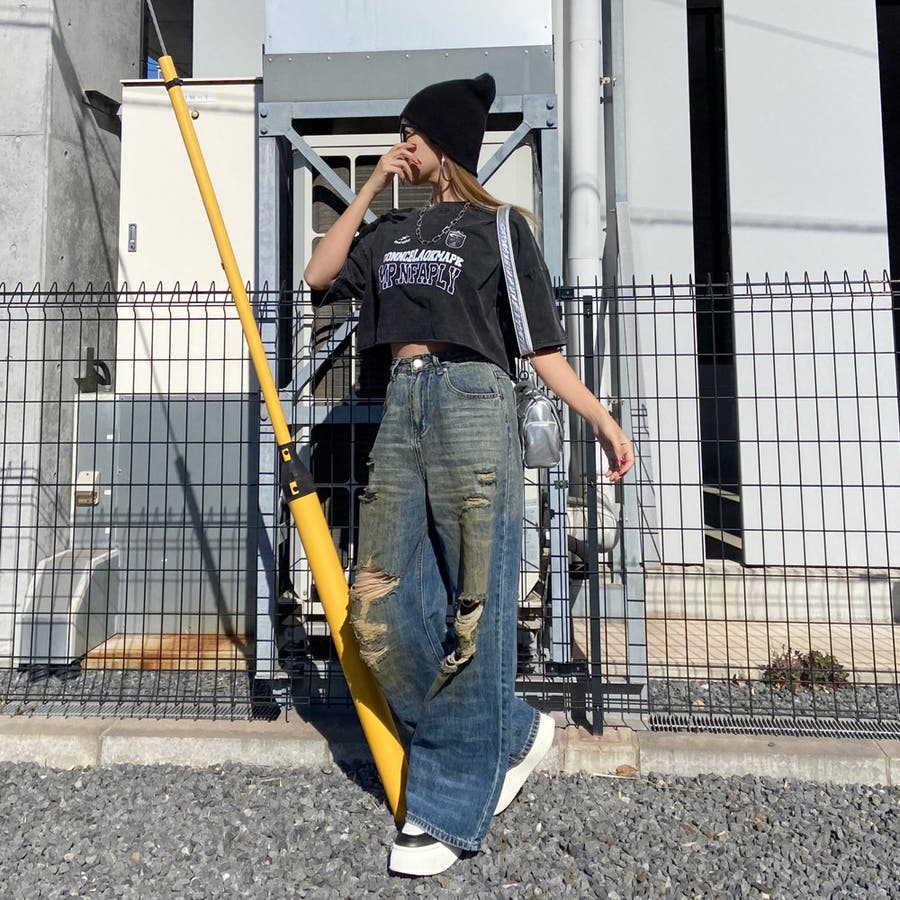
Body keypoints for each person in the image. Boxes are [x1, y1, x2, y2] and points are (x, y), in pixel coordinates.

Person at [304, 73, 634, 877]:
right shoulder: (390, 229)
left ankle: (446, 807)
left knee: (475, 606)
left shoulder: (500, 228)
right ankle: (509, 731)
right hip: (401, 405)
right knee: (374, 608)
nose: (401, 144)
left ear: (442, 140)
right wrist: (370, 186)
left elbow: (541, 348)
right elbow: (318, 275)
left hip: (473, 400)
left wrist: (600, 418)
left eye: (410, 134)